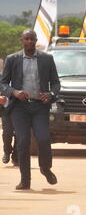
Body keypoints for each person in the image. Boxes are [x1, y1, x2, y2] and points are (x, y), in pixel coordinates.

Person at [1, 29, 60, 190]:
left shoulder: (47, 59)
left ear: (35, 40)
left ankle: (45, 168)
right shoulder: (12, 59)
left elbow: (55, 83)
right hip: (19, 107)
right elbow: (3, 83)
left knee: (43, 139)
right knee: (23, 141)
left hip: (40, 106)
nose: (29, 42)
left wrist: (50, 94)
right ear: (22, 40)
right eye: (26, 39)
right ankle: (25, 180)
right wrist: (14, 92)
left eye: (32, 39)